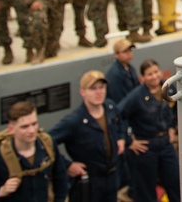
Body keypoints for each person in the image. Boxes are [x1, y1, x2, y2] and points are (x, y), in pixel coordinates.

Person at [0, 100, 68, 202]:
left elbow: (60, 177)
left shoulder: (47, 145)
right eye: (24, 127)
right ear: (11, 129)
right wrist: (1, 191)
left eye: (34, 124)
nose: (31, 131)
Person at [49, 70, 127, 202]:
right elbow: (46, 142)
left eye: (102, 87)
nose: (99, 92)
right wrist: (67, 165)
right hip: (89, 182)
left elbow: (121, 120)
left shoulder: (110, 107)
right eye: (93, 88)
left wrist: (121, 137)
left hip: (112, 177)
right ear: (82, 92)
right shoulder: (74, 121)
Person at [117, 59, 180, 202]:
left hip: (166, 145)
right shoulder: (136, 97)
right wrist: (129, 141)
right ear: (143, 78)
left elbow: (177, 107)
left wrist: (172, 127)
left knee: (175, 183)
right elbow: (118, 115)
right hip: (146, 148)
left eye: (156, 72)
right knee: (146, 190)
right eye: (150, 74)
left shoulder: (168, 88)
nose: (154, 76)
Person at [105, 38, 140, 104]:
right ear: (116, 55)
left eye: (130, 50)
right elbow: (118, 100)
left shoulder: (131, 68)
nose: (129, 53)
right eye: (125, 51)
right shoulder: (114, 74)